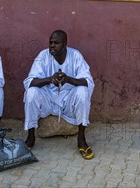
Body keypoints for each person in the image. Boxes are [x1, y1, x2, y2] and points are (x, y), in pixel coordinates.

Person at [23, 30, 95, 159]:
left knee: (83, 91)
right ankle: (30, 137)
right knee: (31, 92)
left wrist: (68, 79)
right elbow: (30, 81)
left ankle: (81, 139)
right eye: (50, 42)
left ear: (65, 44)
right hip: (48, 99)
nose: (52, 45)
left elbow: (88, 81)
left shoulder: (76, 56)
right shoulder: (43, 56)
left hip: (68, 100)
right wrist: (49, 79)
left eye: (56, 43)